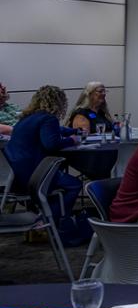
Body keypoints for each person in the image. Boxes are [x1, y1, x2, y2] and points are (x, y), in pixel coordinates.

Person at [5, 85, 80, 221]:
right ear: (58, 102)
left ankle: (47, 216)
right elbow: (51, 144)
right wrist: (72, 140)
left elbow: (56, 130)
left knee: (63, 180)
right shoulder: (48, 119)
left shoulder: (28, 118)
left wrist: (73, 131)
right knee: (74, 185)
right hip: (35, 175)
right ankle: (51, 221)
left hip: (18, 175)